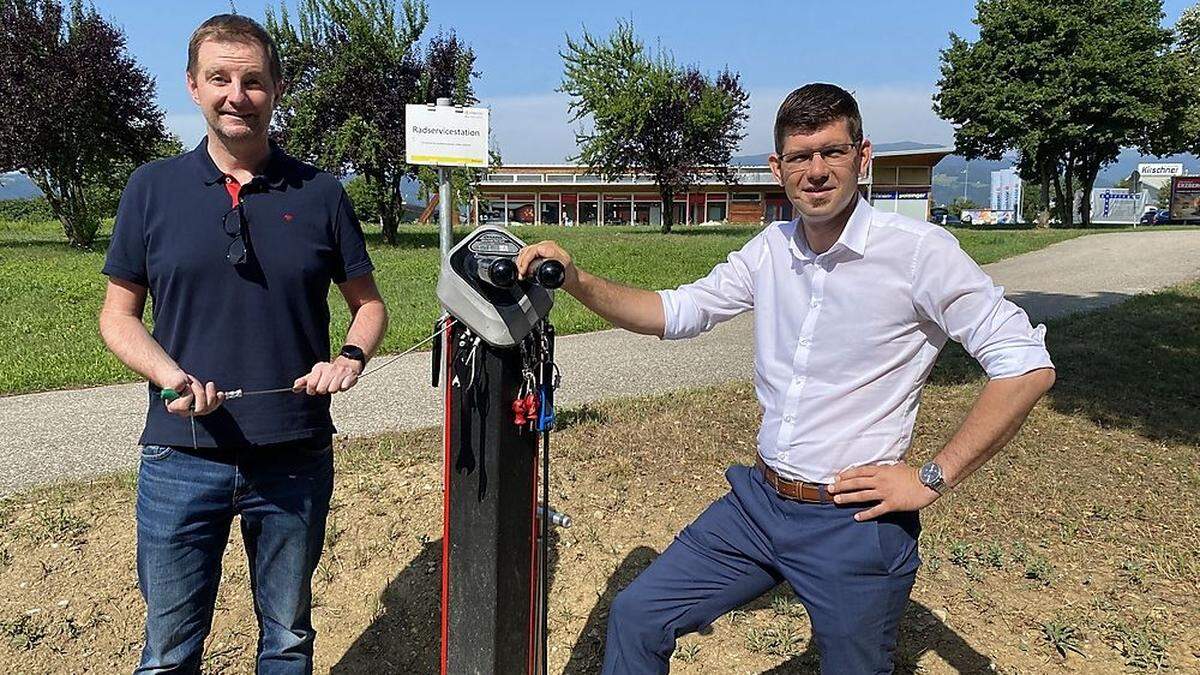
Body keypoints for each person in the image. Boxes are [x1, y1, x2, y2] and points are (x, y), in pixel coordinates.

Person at [516, 83, 1055, 674]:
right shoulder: (770, 248)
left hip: (853, 522)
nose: (816, 171)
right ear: (778, 167)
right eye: (800, 156)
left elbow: (1025, 365)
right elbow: (675, 312)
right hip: (760, 504)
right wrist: (575, 279)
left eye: (832, 152)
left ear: (863, 155)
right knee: (639, 616)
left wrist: (931, 476)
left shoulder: (920, 253)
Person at [98, 14, 387, 673]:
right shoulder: (151, 188)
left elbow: (368, 306)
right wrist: (170, 375)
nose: (237, 94)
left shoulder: (322, 193)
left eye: (253, 80)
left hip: (293, 458)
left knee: (286, 641)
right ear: (194, 86)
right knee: (168, 651)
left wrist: (348, 358)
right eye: (221, 78)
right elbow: (117, 317)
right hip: (180, 460)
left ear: (277, 89)